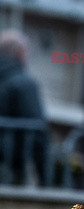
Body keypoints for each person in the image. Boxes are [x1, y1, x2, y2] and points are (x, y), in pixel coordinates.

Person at [0, 29, 49, 186]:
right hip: (10, 170)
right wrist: (45, 179)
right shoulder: (24, 84)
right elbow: (39, 133)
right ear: (20, 52)